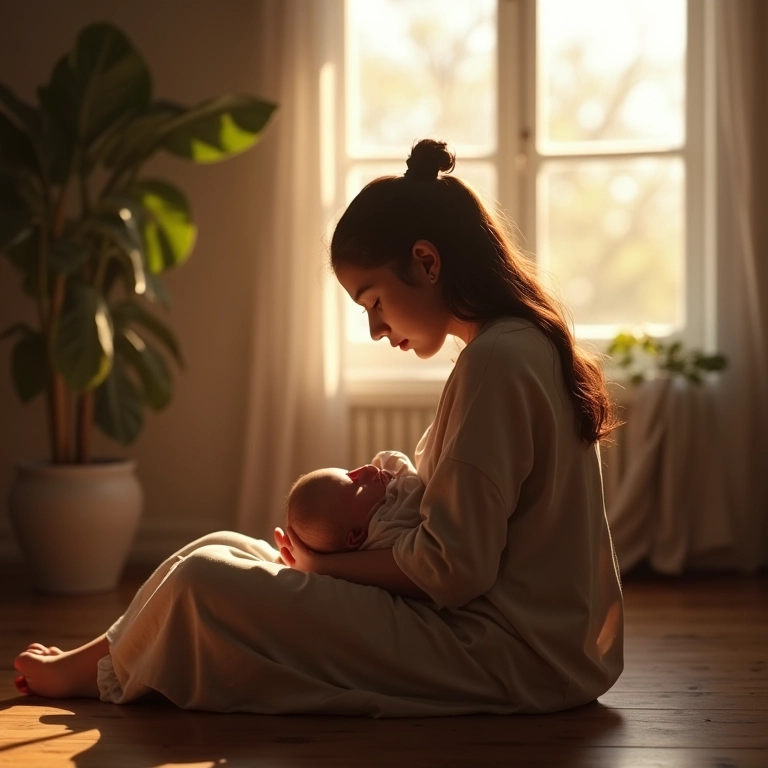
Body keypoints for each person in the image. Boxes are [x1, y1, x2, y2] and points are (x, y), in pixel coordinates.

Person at [13, 139, 624, 716]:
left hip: (510, 652)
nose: (376, 329)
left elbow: (454, 570)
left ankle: (98, 675)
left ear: (426, 261)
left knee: (208, 581)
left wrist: (321, 569)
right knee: (221, 548)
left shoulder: (499, 359)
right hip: (517, 639)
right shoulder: (513, 348)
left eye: (373, 300)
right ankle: (98, 661)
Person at [286, 450, 424, 555]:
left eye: (351, 472)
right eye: (354, 483)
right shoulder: (387, 528)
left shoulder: (368, 548)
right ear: (355, 537)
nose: (366, 468)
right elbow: (410, 481)